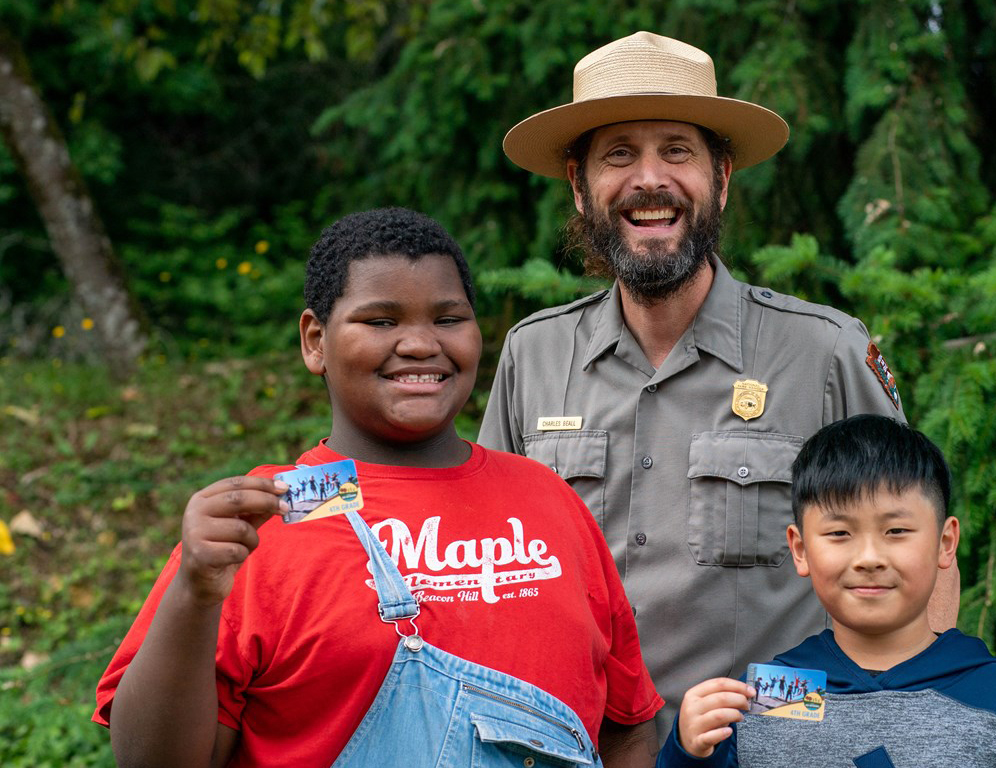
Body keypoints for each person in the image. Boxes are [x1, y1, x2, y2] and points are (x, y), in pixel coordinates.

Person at [480, 30, 959, 733]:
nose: (650, 179)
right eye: (619, 154)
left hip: (773, 745)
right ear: (580, 189)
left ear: (722, 180)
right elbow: (490, 569)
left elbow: (916, 555)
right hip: (573, 744)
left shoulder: (823, 353)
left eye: (677, 150)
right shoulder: (534, 356)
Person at [93, 208, 662, 767]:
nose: (419, 344)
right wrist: (194, 595)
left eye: (447, 319)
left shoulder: (546, 499)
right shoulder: (259, 523)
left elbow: (626, 732)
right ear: (316, 341)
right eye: (381, 321)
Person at [657, 415, 996, 767]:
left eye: (897, 531)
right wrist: (687, 752)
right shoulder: (770, 695)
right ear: (800, 550)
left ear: (945, 543)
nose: (869, 557)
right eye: (839, 533)